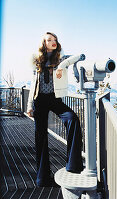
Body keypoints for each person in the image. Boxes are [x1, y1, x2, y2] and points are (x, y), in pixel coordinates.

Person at [27, 32, 83, 187]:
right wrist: (29, 105)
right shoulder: (37, 60)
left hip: (55, 98)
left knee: (72, 119)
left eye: (55, 40)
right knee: (41, 137)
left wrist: (77, 65)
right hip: (39, 99)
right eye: (49, 40)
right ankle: (42, 178)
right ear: (43, 43)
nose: (53, 42)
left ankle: (73, 166)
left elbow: (78, 57)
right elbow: (33, 83)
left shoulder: (60, 58)